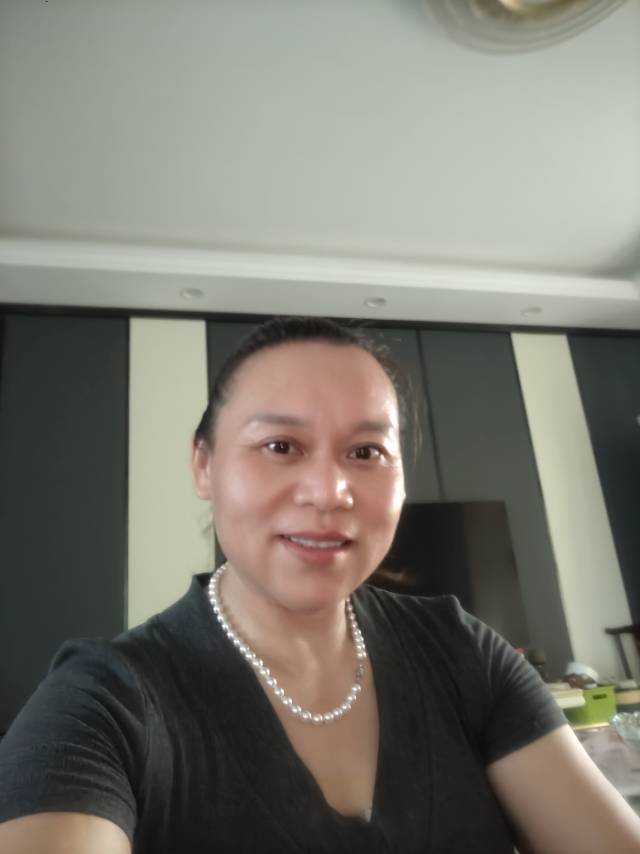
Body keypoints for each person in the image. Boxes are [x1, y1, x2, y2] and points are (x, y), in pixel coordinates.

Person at [0, 316, 639, 854]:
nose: (330, 493)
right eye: (280, 446)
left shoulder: (464, 653)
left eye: (365, 453)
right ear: (204, 464)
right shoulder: (103, 701)